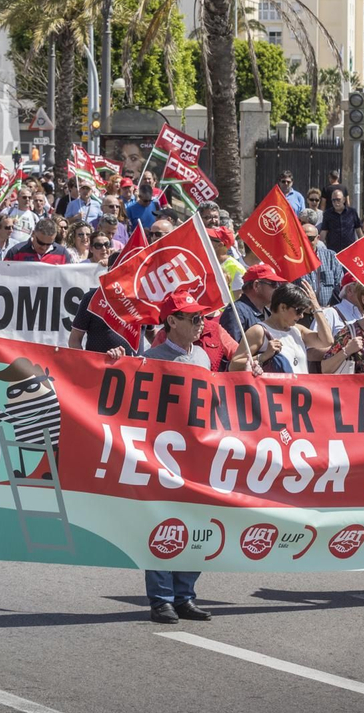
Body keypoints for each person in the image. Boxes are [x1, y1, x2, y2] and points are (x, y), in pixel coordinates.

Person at [135, 294, 215, 624]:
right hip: (163, 456)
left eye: (202, 318)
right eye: (194, 319)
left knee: (197, 527)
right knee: (163, 526)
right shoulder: (151, 358)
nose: (202, 324)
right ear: (172, 322)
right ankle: (161, 599)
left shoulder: (203, 358)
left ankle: (185, 595)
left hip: (198, 457)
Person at [230, 282, 331, 374]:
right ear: (282, 307)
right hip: (275, 392)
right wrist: (263, 356)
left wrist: (316, 307)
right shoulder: (259, 331)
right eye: (298, 311)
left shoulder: (298, 330)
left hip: (299, 391)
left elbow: (327, 341)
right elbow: (234, 365)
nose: (301, 316)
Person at [224, 263, 281, 342]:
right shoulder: (236, 311)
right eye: (273, 284)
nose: (277, 288)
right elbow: (232, 350)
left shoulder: (267, 312)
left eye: (278, 284)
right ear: (256, 285)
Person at [319, 188, 362, 254]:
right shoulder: (327, 214)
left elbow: (358, 230)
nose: (336, 202)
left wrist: (363, 245)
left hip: (350, 250)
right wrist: (319, 247)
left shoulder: (352, 212)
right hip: (333, 251)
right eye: (333, 200)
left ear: (344, 200)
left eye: (338, 199)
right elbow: (324, 232)